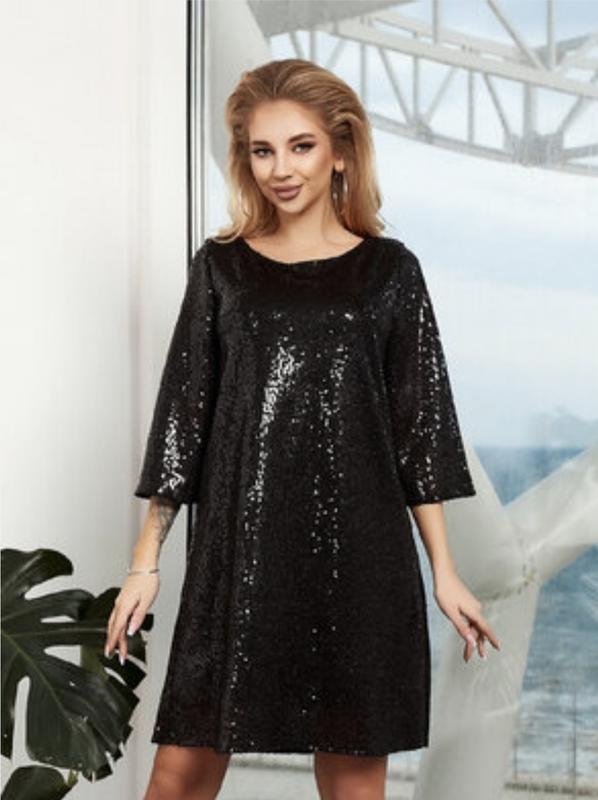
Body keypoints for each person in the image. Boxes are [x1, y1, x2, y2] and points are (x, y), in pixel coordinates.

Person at [104, 58, 500, 800]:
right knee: (178, 778)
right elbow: (183, 419)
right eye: (262, 150)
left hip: (362, 561)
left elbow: (420, 431)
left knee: (352, 787)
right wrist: (144, 562)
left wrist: (444, 571)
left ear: (341, 152)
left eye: (301, 146)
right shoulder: (222, 269)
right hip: (239, 558)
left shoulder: (390, 272)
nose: (280, 169)